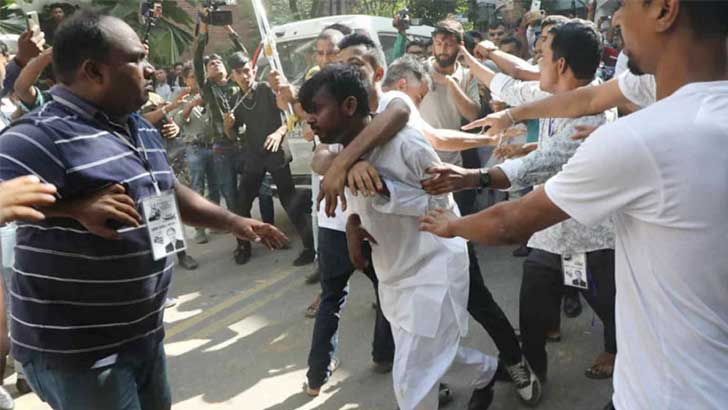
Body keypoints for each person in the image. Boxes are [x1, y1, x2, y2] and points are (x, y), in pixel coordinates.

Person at [420, 1, 728, 409]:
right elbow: (587, 98)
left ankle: (602, 351)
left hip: (672, 393)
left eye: (624, 4)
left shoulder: (636, 137)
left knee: (605, 302)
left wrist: (451, 224)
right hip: (691, 380)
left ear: (664, 10)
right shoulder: (665, 98)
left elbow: (513, 221)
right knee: (540, 306)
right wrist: (512, 115)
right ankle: (537, 367)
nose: (615, 19)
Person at [0, 11, 288, 410]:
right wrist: (72, 207)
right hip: (82, 356)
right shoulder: (40, 136)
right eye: (136, 60)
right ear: (93, 71)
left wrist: (235, 222)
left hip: (143, 336)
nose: (150, 69)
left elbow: (166, 190)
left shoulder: (135, 125)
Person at [325, 35, 542, 406]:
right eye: (340, 64)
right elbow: (320, 157)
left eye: (356, 65)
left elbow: (426, 136)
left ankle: (514, 363)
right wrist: (347, 189)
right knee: (410, 331)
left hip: (437, 242)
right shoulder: (338, 119)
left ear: (380, 74)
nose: (347, 71)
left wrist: (348, 162)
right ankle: (473, 373)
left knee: (475, 305)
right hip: (392, 255)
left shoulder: (394, 104)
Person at [426, 19, 619, 383]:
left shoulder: (595, 113)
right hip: (549, 232)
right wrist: (470, 56)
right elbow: (510, 87)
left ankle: (619, 353)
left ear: (561, 65)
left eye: (542, 53)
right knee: (532, 310)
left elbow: (543, 163)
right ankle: (534, 372)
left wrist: (476, 177)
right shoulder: (553, 94)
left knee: (611, 307)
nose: (536, 61)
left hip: (592, 236)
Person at [301, 62, 497, 410]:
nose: (310, 120)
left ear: (349, 106)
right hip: (393, 275)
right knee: (435, 359)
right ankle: (487, 373)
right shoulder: (339, 153)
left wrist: (381, 188)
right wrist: (353, 226)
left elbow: (441, 206)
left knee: (411, 379)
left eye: (316, 110)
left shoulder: (408, 145)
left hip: (432, 270)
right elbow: (343, 188)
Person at [225, 52, 314, 266]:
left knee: (289, 200)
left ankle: (310, 248)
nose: (244, 76)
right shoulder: (235, 100)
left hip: (276, 154)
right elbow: (233, 134)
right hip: (254, 156)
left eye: (247, 70)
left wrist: (278, 133)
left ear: (253, 70)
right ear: (233, 76)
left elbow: (290, 117)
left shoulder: (267, 89)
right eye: (239, 72)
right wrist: (227, 126)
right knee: (241, 203)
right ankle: (243, 245)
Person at [172, 63, 218, 245]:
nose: (195, 80)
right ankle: (200, 229)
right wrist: (190, 105)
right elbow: (177, 123)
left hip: (213, 146)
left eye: (198, 76)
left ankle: (215, 222)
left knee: (215, 186)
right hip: (194, 148)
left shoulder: (209, 93)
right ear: (185, 80)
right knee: (197, 189)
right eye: (191, 77)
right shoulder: (182, 98)